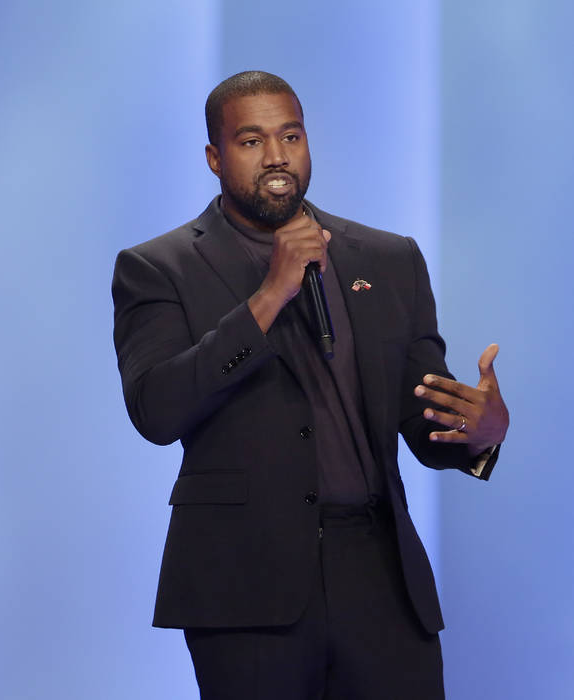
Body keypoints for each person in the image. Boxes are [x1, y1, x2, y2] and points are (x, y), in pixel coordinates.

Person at [111, 71, 509, 699]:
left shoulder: (388, 258)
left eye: (290, 135)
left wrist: (480, 433)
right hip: (246, 587)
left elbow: (424, 420)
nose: (276, 156)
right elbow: (158, 410)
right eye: (250, 140)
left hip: (380, 579)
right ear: (215, 157)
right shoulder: (158, 268)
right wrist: (269, 296)